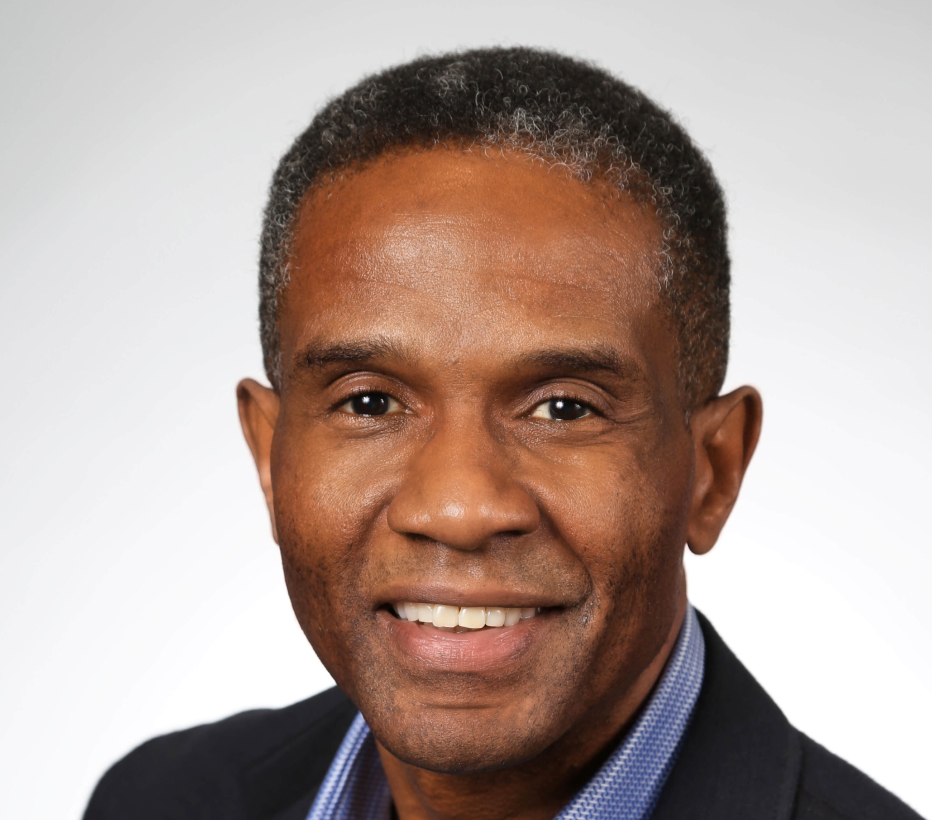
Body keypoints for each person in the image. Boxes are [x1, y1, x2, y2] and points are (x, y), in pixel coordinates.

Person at [83, 47, 923, 820]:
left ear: (714, 471)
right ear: (270, 458)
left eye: (564, 408)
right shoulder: (158, 801)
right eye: (368, 403)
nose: (458, 509)